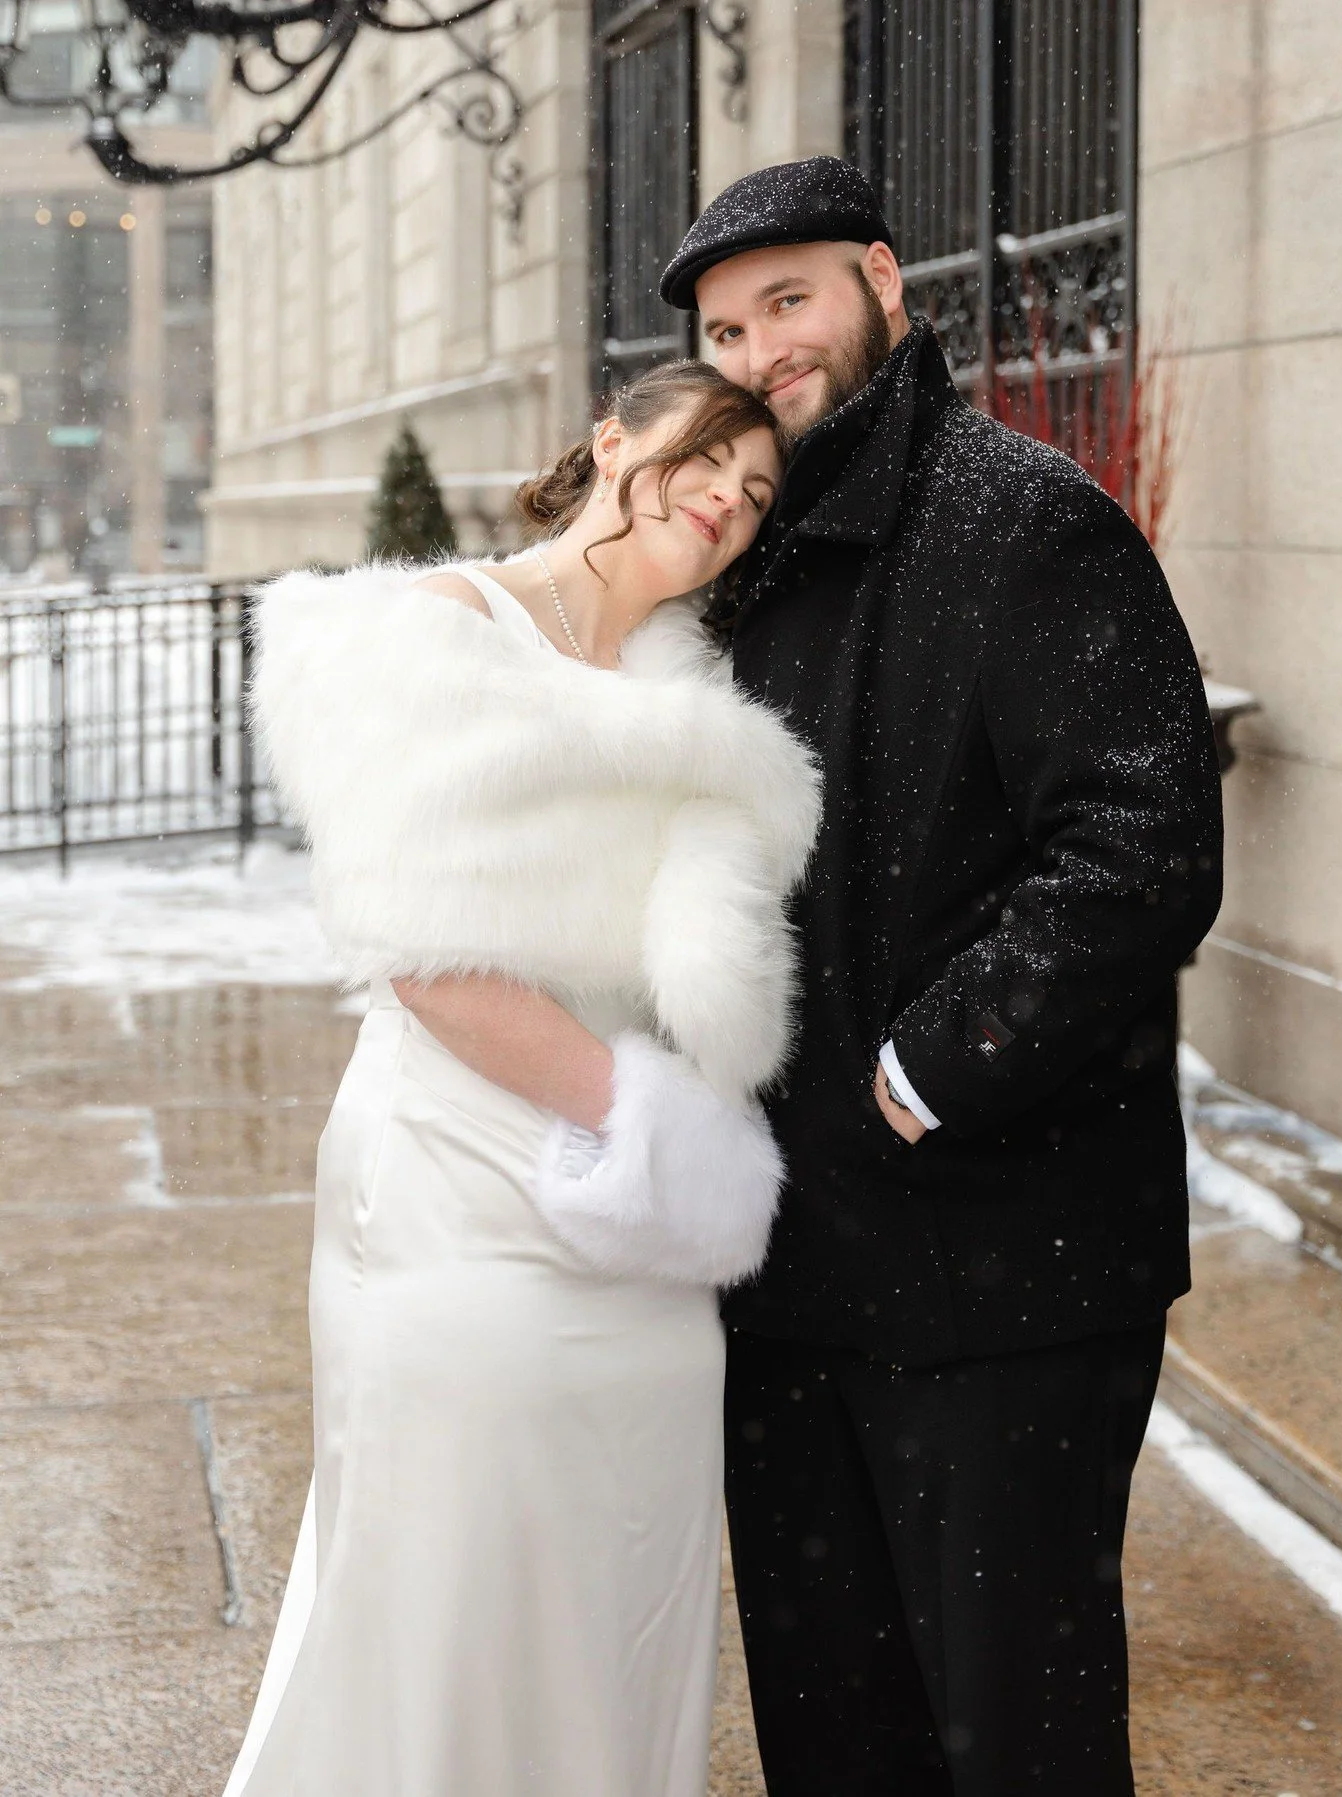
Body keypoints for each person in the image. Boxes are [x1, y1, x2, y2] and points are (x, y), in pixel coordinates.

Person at [658, 157, 1226, 1795]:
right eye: (726, 328)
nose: (764, 350)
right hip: (790, 1277)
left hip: (998, 1265)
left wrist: (934, 1071)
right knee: (839, 1728)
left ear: (885, 289)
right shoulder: (735, 564)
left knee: (1014, 1739)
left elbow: (1140, 844)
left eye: (791, 301)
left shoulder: (1024, 516)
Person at [221, 360, 821, 1797]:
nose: (727, 501)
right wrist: (649, 1129)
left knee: (624, 1575)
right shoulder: (447, 631)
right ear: (612, 439)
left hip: (647, 1228)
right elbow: (425, 953)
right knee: (461, 1561)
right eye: (706, 458)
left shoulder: (694, 691)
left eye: (753, 493)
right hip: (462, 1169)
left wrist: (672, 1152)